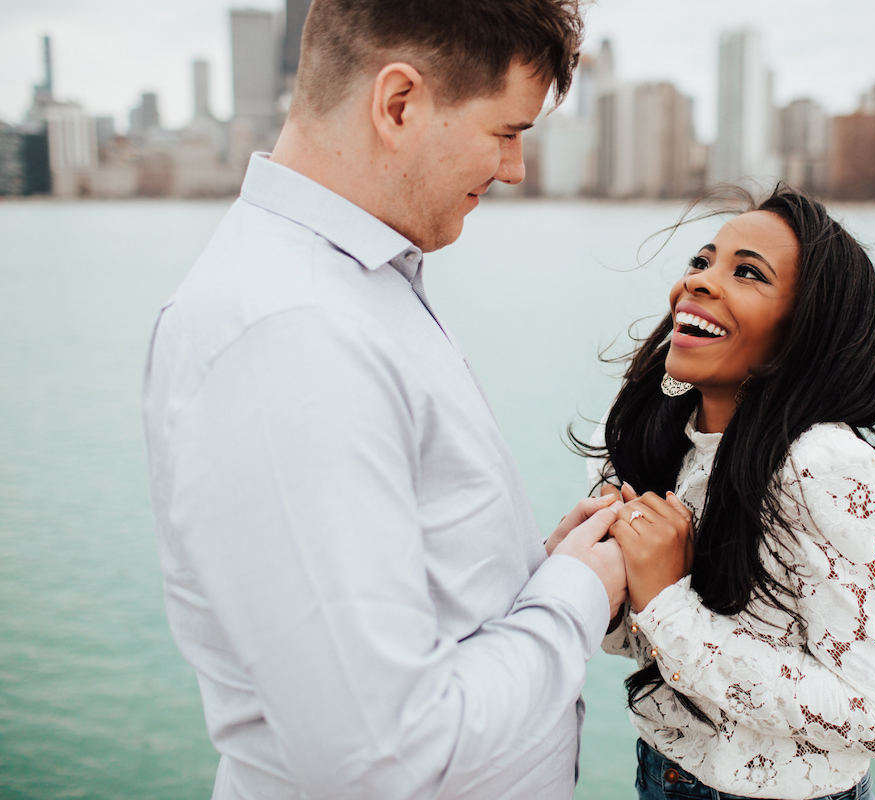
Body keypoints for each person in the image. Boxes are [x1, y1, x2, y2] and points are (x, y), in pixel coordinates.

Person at [141, 2, 627, 798]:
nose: (515, 170)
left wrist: (539, 573)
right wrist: (579, 595)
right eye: (507, 132)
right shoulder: (289, 332)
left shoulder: (352, 287)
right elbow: (380, 756)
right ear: (399, 104)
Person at [584, 187, 875, 800]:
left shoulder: (824, 467)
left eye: (747, 273)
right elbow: (648, 649)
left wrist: (665, 602)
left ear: (805, 332)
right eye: (702, 261)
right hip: (664, 774)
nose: (701, 282)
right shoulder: (657, 440)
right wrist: (588, 575)